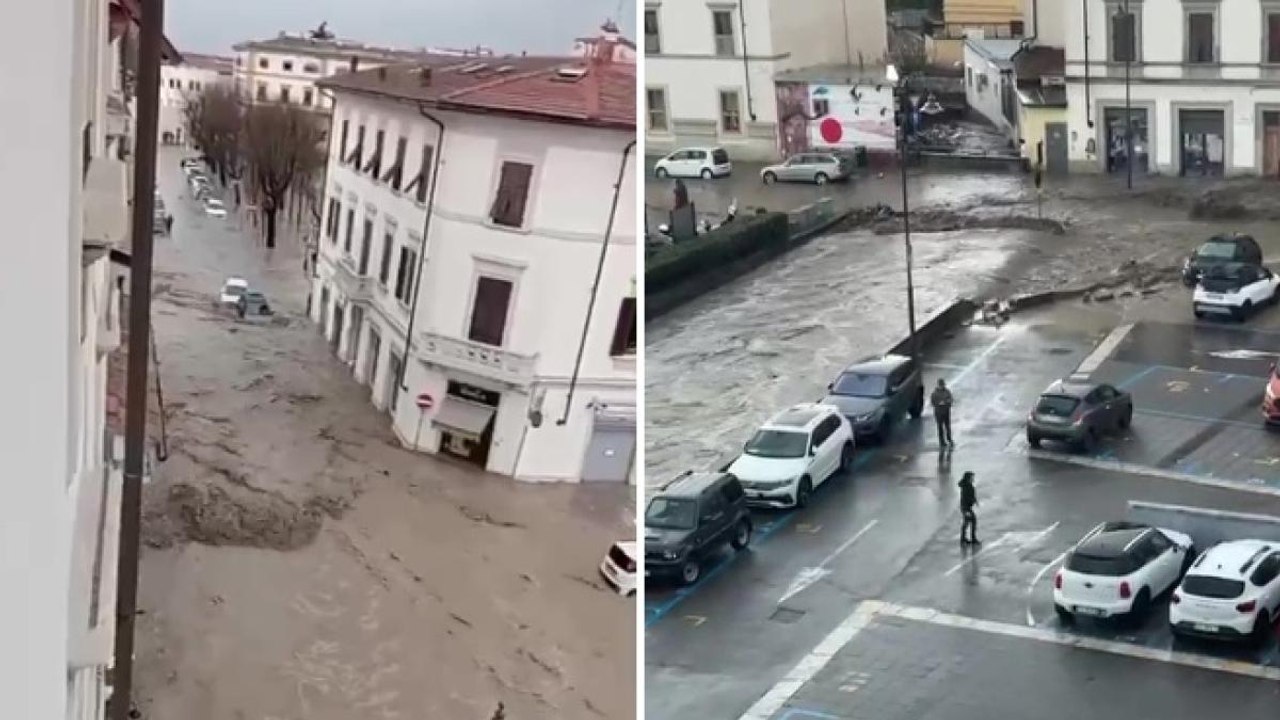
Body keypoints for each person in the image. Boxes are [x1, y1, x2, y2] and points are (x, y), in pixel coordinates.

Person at [930, 378, 954, 447]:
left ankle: (949, 439)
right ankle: (942, 441)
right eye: (941, 385)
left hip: (946, 412)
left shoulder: (947, 391)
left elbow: (951, 399)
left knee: (947, 427)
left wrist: (946, 402)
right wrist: (939, 403)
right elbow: (933, 402)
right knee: (940, 428)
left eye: (942, 385)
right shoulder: (934, 393)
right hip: (938, 413)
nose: (942, 386)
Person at [959, 471, 979, 544]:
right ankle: (971, 539)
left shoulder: (968, 485)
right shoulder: (967, 487)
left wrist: (975, 501)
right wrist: (965, 510)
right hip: (966, 507)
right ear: (968, 478)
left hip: (966, 507)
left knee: (967, 522)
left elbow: (971, 496)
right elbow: (965, 498)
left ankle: (964, 538)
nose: (973, 478)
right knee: (971, 521)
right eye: (972, 477)